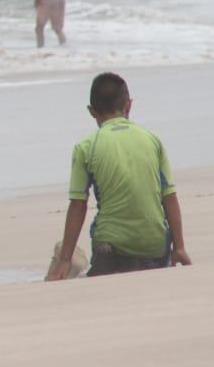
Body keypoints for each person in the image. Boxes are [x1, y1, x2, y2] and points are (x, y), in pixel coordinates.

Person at [46, 73, 191, 280]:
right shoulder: (152, 140)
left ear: (91, 111)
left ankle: (77, 270)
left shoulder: (86, 147)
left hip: (113, 249)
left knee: (95, 244)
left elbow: (78, 205)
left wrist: (65, 259)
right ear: (129, 105)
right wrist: (179, 247)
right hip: (156, 248)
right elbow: (169, 196)